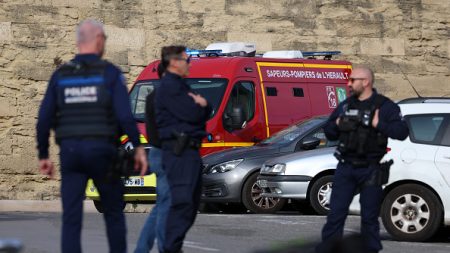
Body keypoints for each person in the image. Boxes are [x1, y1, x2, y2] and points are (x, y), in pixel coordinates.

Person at [36, 19, 147, 253]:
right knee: (114, 213)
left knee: (71, 217)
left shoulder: (61, 76)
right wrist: (137, 147)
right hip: (102, 153)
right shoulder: (109, 74)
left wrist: (44, 155)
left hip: (71, 153)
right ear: (98, 40)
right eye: (104, 39)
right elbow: (125, 117)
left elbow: (44, 117)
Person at [316, 66, 409, 253]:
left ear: (366, 82)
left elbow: (402, 132)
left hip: (371, 169)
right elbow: (328, 131)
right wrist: (336, 124)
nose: (348, 84)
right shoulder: (345, 105)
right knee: (335, 215)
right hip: (346, 167)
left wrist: (378, 124)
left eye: (352, 80)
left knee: (369, 217)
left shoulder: (385, 106)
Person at [154, 46, 211, 253]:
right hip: (179, 151)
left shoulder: (182, 85)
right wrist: (200, 105)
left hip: (190, 151)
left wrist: (202, 105)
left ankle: (172, 248)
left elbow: (206, 108)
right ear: (175, 62)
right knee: (182, 204)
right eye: (187, 60)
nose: (190, 64)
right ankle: (170, 249)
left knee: (190, 204)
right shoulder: (169, 87)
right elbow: (193, 114)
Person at [134, 64, 170, 253]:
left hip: (157, 151)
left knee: (162, 205)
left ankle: (142, 248)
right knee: (166, 205)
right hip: (166, 153)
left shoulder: (152, 96)